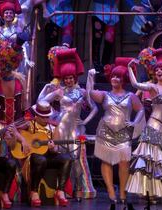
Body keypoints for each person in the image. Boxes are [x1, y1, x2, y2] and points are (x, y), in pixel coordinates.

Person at [126, 48, 162, 203]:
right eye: (156, 69)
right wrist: (130, 68)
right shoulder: (152, 87)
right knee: (152, 160)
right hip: (154, 125)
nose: (159, 71)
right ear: (154, 73)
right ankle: (150, 192)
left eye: (161, 69)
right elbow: (135, 83)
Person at [87, 57, 145, 203]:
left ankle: (123, 192)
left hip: (123, 132)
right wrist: (90, 77)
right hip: (105, 131)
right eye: (113, 76)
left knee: (124, 162)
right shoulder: (105, 95)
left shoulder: (131, 96)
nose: (114, 79)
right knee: (106, 161)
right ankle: (111, 190)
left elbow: (141, 109)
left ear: (123, 79)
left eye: (118, 77)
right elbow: (90, 92)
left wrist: (134, 122)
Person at [43, 48, 98, 200]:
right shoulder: (59, 92)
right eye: (65, 78)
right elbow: (41, 101)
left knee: (76, 158)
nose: (68, 80)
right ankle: (62, 190)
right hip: (61, 127)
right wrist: (46, 89)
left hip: (76, 127)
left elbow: (95, 108)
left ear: (75, 77)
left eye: (70, 78)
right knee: (62, 157)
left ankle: (79, 189)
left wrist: (85, 120)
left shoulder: (81, 92)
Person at [20, 101, 72, 207]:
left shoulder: (54, 127)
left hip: (49, 156)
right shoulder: (29, 124)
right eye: (43, 117)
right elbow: (14, 130)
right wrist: (23, 140)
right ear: (37, 115)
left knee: (67, 158)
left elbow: (55, 149)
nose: (45, 119)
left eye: (47, 116)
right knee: (40, 159)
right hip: (35, 158)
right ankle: (34, 192)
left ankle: (60, 191)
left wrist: (53, 148)